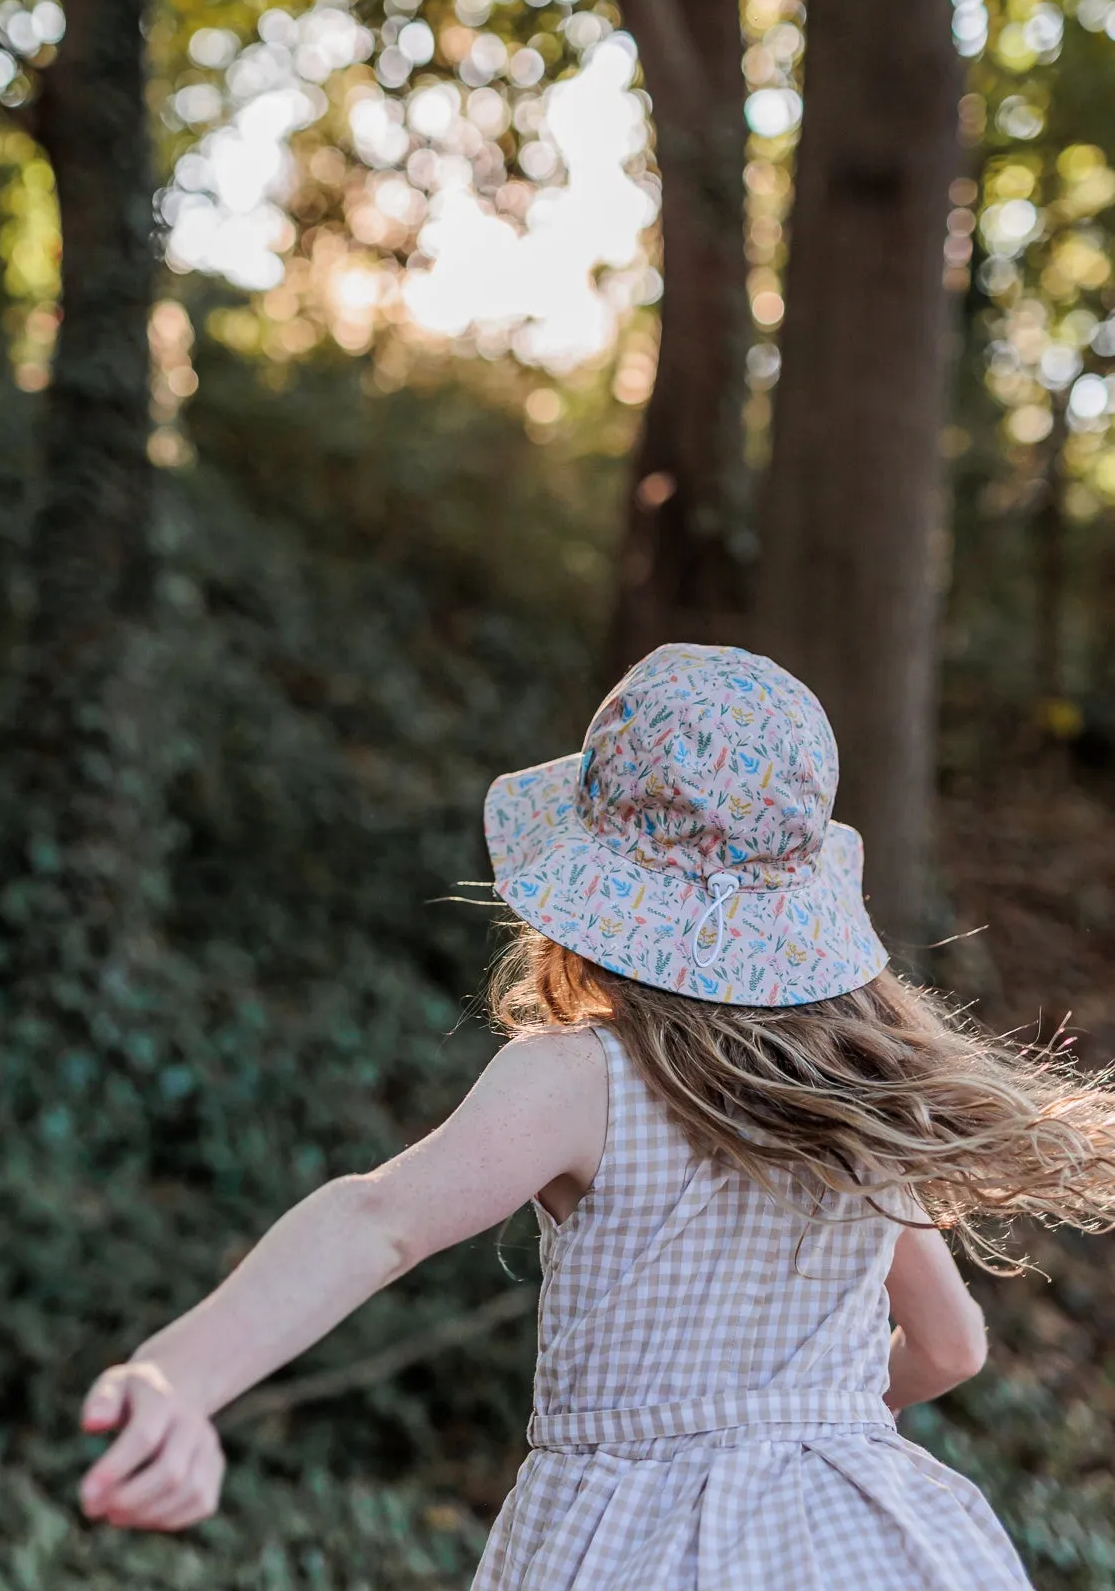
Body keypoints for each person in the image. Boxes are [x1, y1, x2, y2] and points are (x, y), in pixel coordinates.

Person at [77, 643, 1115, 1587]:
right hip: (875, 1541)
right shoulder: (859, 1103)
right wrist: (813, 1422)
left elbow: (376, 1218)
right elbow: (952, 1349)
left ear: (592, 880)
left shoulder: (586, 1078)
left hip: (635, 1544)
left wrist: (179, 1374)